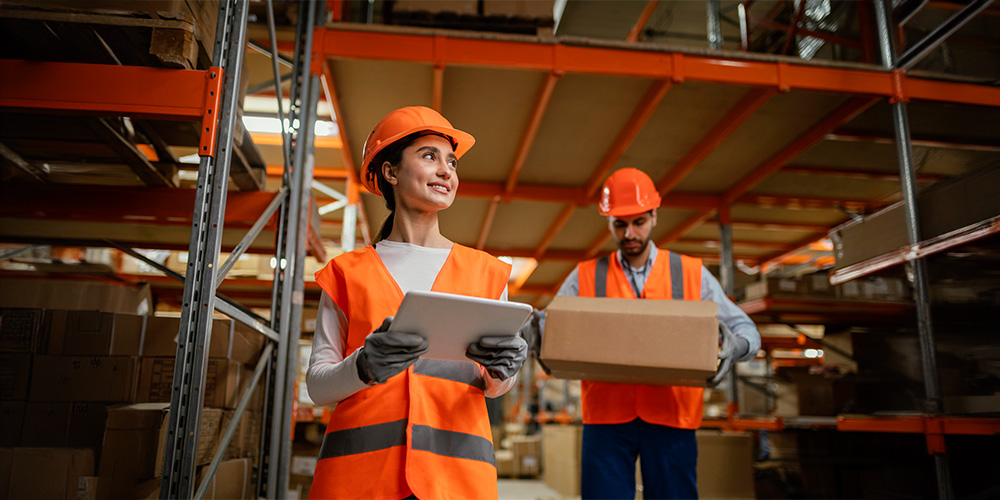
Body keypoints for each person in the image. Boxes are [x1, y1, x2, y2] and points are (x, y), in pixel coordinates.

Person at [306, 106, 528, 500]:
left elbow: (495, 387)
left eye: (452, 162)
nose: (447, 171)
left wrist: (504, 372)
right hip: (360, 480)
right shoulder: (346, 273)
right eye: (430, 156)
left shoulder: (487, 272)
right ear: (391, 172)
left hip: (455, 479)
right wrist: (364, 365)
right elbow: (318, 387)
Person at [528, 168, 761, 500]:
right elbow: (550, 324)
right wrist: (529, 329)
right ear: (609, 223)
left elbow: (745, 328)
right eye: (620, 225)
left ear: (654, 216)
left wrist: (737, 346)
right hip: (606, 418)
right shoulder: (586, 276)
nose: (630, 233)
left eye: (639, 222)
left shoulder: (690, 273)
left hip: (672, 417)